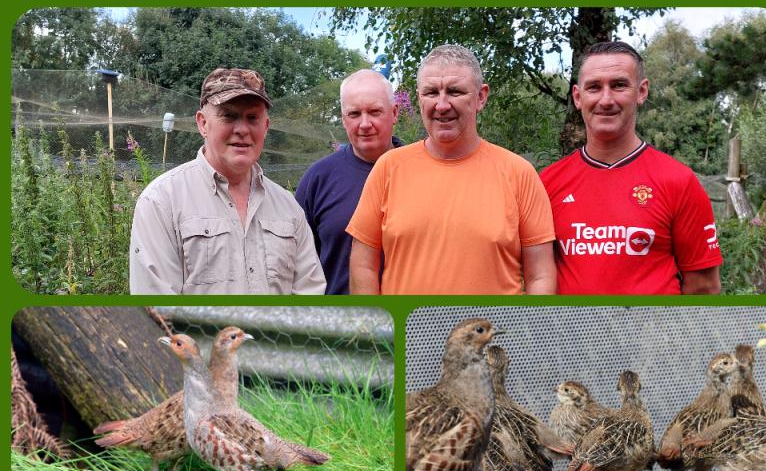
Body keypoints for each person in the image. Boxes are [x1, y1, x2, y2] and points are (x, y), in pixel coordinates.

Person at [346, 44, 556, 295]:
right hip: (409, 330)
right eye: (431, 92)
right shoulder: (389, 168)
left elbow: (540, 275)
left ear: (481, 97)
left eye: (455, 91)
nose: (442, 104)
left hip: (489, 331)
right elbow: (363, 266)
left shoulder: (518, 173)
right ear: (419, 97)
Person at [540, 41, 723, 295]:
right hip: (573, 332)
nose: (606, 100)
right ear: (578, 97)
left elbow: (703, 287)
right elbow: (535, 275)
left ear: (642, 91)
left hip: (653, 332)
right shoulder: (547, 183)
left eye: (619, 85)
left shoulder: (678, 181)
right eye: (594, 87)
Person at [129, 68, 325, 294]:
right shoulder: (162, 201)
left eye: (253, 118)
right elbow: (157, 302)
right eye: (228, 116)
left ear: (266, 127)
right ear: (203, 123)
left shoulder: (288, 208)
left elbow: (309, 294)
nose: (242, 129)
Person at [295, 69, 401, 294]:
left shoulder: (421, 171)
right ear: (343, 120)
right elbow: (296, 265)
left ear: (394, 113)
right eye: (354, 114)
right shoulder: (318, 179)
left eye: (374, 112)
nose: (364, 124)